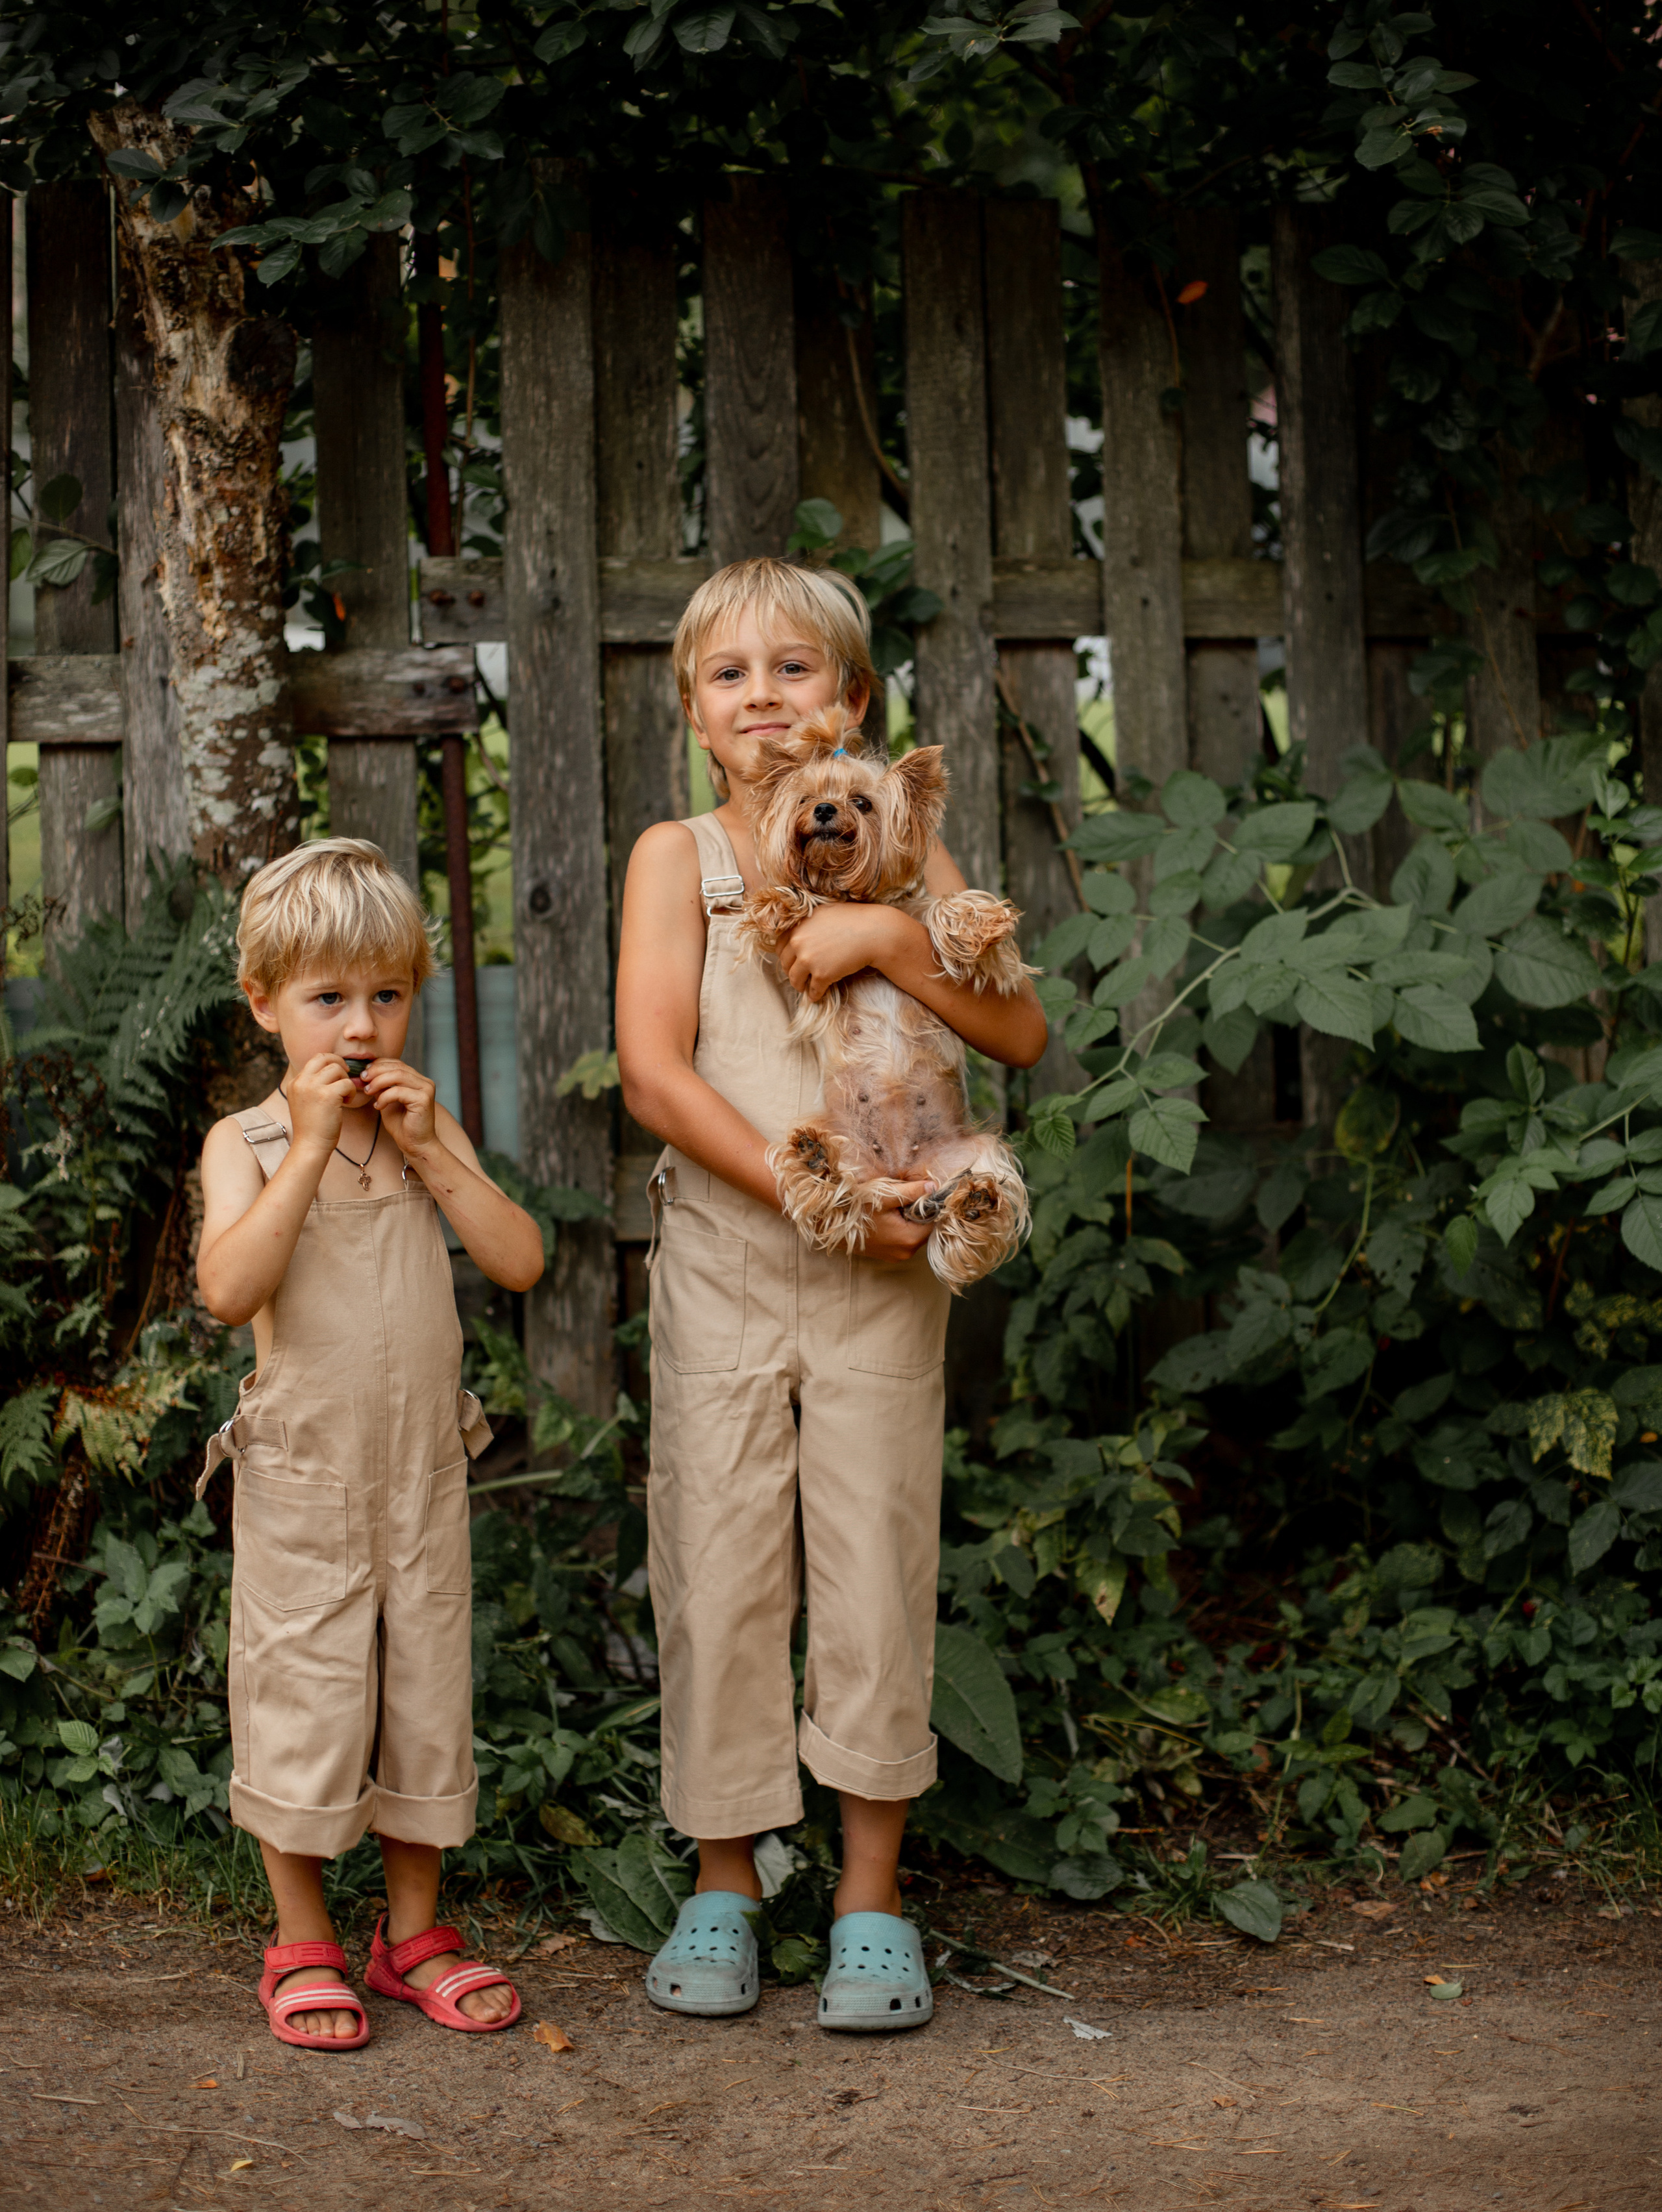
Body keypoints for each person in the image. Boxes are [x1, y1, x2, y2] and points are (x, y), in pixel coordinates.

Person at [615, 559, 1048, 2030]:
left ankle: (871, 1892)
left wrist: (886, 941)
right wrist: (805, 1195)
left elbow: (1022, 1025)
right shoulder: (679, 859)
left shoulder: (902, 843)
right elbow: (656, 1074)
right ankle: (727, 1876)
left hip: (885, 1279)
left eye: (794, 671)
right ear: (693, 713)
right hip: (734, 1270)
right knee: (720, 1564)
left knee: (872, 1560)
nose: (763, 700)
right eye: (729, 678)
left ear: (853, 702)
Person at [195, 838, 545, 2050]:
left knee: (422, 1696)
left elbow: (519, 1260)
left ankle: (410, 1933)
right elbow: (230, 1289)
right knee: (305, 1695)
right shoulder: (245, 1145)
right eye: (327, 999)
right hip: (303, 1477)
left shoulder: (419, 1130)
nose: (360, 1027)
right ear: (265, 1005)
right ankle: (301, 1937)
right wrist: (302, 1148)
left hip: (418, 1473)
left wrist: (437, 1146)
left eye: (386, 996)